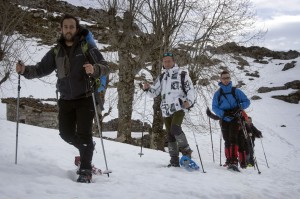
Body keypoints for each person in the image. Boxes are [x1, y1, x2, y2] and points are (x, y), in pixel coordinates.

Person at [16, 14, 109, 183]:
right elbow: (40, 69)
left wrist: (94, 69)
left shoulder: (87, 47)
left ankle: (85, 170)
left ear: (77, 28)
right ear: (61, 29)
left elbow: (105, 66)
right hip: (66, 99)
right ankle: (86, 149)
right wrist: (24, 71)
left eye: (71, 27)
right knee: (65, 134)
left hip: (85, 98)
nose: (68, 30)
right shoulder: (56, 51)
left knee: (84, 134)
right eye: (65, 27)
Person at [143, 52, 195, 167]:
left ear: (174, 62)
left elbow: (190, 89)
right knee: (170, 134)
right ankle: (174, 160)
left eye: (169, 61)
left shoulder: (182, 74)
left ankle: (187, 153)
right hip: (166, 109)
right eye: (165, 61)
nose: (167, 63)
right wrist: (147, 89)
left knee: (175, 129)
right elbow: (154, 92)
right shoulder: (162, 77)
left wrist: (189, 102)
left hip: (179, 107)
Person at [212, 70, 250, 169]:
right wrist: (223, 114)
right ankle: (229, 160)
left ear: (230, 78)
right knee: (226, 139)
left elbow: (247, 101)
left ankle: (234, 160)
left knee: (233, 138)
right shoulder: (218, 94)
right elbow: (214, 107)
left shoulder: (236, 91)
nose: (225, 80)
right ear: (220, 79)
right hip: (224, 118)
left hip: (235, 117)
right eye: (223, 78)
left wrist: (239, 108)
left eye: (227, 78)